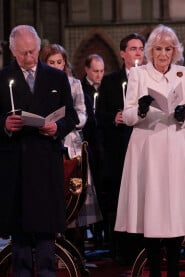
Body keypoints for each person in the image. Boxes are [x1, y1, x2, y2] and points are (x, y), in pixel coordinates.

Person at [114, 24, 185, 277]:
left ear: (175, 51)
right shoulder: (138, 74)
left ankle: (174, 273)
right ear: (149, 51)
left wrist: (183, 115)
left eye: (168, 49)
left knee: (174, 209)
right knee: (151, 209)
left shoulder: (184, 72)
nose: (163, 54)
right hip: (147, 147)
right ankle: (155, 273)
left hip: (175, 146)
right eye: (158, 49)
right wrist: (141, 109)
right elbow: (128, 116)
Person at [0, 25, 78, 277]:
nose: (29, 58)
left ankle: (47, 273)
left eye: (32, 51)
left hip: (46, 158)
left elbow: (72, 116)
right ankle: (21, 276)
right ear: (12, 51)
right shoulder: (3, 78)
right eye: (22, 53)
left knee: (46, 219)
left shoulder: (56, 77)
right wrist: (5, 125)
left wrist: (58, 128)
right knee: (20, 220)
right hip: (17, 160)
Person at [40, 44, 102, 256]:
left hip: (71, 144)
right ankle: (52, 251)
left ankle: (77, 254)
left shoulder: (74, 84)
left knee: (76, 199)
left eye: (60, 62)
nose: (57, 66)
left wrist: (64, 123)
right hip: (47, 142)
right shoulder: (40, 84)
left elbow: (83, 116)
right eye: (52, 62)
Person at [97, 33, 145, 264]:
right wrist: (114, 118)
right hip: (120, 149)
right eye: (133, 48)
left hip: (145, 147)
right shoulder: (109, 81)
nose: (138, 53)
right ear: (123, 53)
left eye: (140, 49)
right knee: (121, 199)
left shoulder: (148, 79)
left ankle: (149, 248)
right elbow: (100, 116)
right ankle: (123, 250)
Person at [81, 54, 105, 249]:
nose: (99, 75)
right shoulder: (81, 88)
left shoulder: (107, 87)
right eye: (96, 71)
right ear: (87, 70)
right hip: (89, 143)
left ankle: (102, 234)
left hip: (103, 144)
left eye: (102, 71)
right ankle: (93, 233)